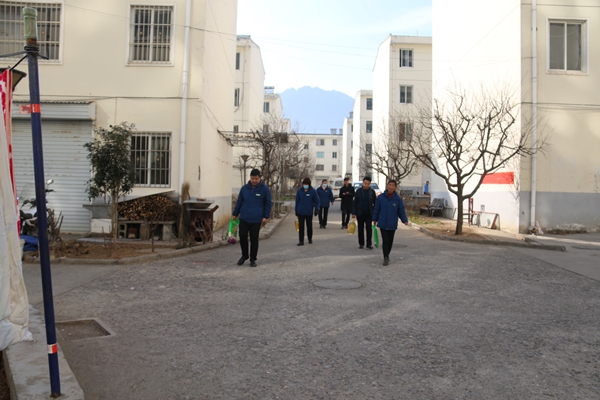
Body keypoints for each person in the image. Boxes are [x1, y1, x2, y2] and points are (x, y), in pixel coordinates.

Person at [232, 169, 272, 267]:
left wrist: (265, 216)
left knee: (254, 239)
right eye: (252, 178)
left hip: (256, 219)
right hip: (244, 217)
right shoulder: (244, 189)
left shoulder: (264, 189)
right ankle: (244, 255)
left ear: (260, 178)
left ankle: (253, 259)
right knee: (242, 236)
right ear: (250, 178)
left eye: (256, 179)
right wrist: (235, 213)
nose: (254, 180)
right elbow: (239, 202)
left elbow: (268, 203)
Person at [372, 179, 409, 266]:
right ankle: (385, 257)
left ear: (395, 187)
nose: (391, 187)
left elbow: (401, 211)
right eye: (390, 185)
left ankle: (387, 254)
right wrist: (375, 219)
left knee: (390, 241)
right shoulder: (381, 198)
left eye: (393, 185)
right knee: (385, 240)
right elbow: (377, 209)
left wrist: (405, 220)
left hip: (392, 223)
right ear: (387, 186)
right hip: (383, 222)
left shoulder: (397, 199)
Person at [352, 176, 377, 249]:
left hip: (369, 213)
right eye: (365, 183)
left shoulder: (372, 192)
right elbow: (355, 202)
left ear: (370, 184)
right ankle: (361, 243)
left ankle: (369, 244)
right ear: (363, 183)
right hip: (360, 213)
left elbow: (375, 203)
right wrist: (353, 213)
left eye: (368, 184)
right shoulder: (358, 191)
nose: (366, 185)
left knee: (369, 228)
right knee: (360, 229)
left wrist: (375, 213)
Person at [295, 177, 320, 246]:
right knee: (301, 227)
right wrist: (296, 210)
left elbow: (317, 201)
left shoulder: (313, 191)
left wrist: (317, 209)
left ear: (309, 184)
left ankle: (310, 238)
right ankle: (301, 241)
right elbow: (297, 201)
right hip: (301, 212)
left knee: (309, 226)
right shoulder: (299, 191)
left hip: (309, 212)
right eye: (304, 184)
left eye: (307, 184)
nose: (305, 185)